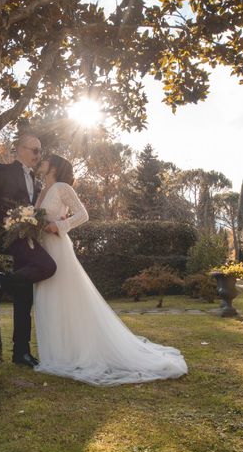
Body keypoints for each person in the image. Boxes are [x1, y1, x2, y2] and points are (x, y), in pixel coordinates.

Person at [32, 154, 188, 386]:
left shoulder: (62, 187)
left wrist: (59, 226)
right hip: (41, 248)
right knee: (47, 297)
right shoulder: (42, 191)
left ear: (53, 167)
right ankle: (57, 352)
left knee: (64, 296)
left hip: (57, 247)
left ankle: (75, 352)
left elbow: (83, 214)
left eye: (44, 161)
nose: (40, 163)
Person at [0, 134, 57, 368]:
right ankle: (3, 281)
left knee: (24, 297)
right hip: (9, 236)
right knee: (48, 266)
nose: (38, 156)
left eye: (40, 151)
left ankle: (21, 352)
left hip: (27, 238)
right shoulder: (3, 171)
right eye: (35, 150)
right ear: (20, 149)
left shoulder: (36, 182)